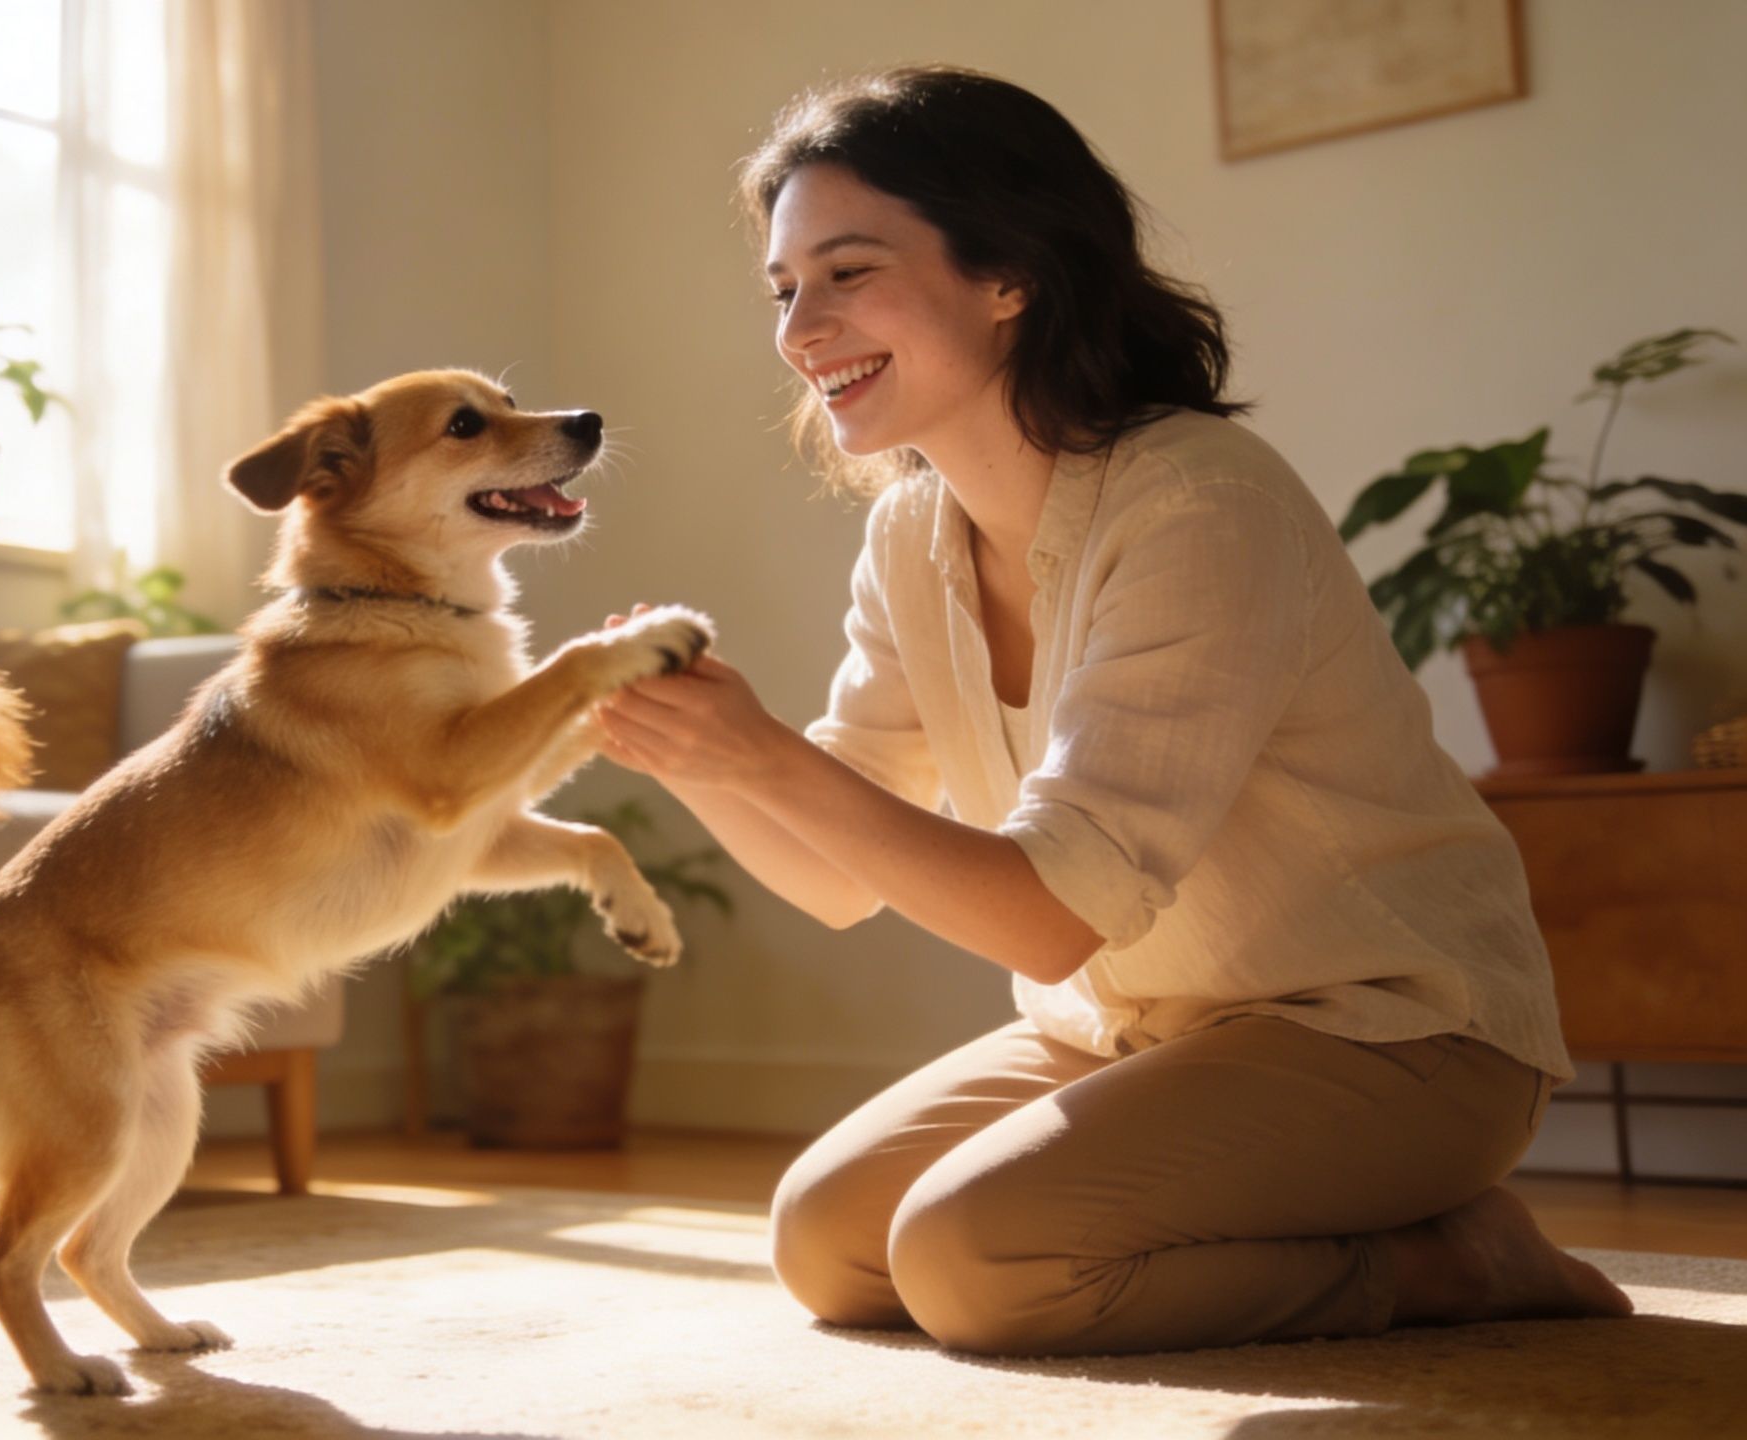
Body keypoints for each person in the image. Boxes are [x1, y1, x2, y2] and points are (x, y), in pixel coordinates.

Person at [591, 65, 1633, 1357]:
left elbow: (1047, 917)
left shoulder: (1198, 503)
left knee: (980, 1262)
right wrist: (689, 747)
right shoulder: (913, 536)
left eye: (848, 271)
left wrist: (758, 754)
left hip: (1393, 1032)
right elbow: (830, 877)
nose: (803, 330)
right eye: (785, 287)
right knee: (828, 1244)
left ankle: (1451, 1261)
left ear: (1010, 273)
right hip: (1135, 1034)